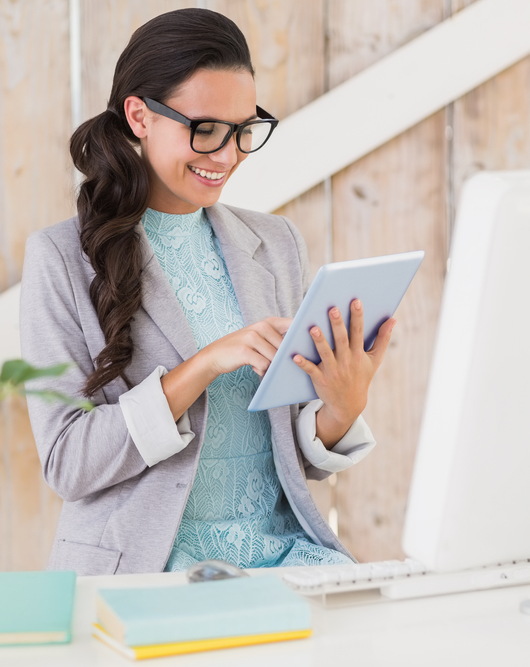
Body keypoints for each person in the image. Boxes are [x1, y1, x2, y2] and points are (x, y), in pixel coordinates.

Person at [20, 8, 396, 576]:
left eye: (244, 129)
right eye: (206, 129)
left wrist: (341, 407)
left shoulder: (276, 243)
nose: (228, 154)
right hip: (153, 565)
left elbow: (292, 459)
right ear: (139, 116)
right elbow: (67, 462)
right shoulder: (61, 258)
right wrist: (200, 367)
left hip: (282, 556)